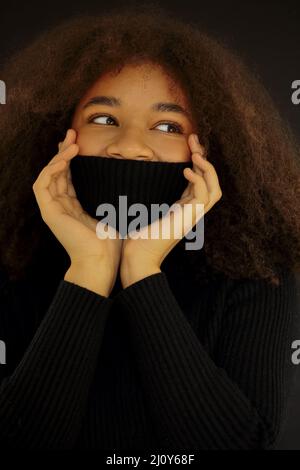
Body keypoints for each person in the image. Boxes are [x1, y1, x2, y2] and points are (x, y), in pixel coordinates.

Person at [0, 4, 300, 451]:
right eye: (104, 119)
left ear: (206, 148)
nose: (131, 148)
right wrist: (90, 268)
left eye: (167, 125)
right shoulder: (12, 255)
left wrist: (141, 271)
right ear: (61, 134)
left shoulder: (258, 272)